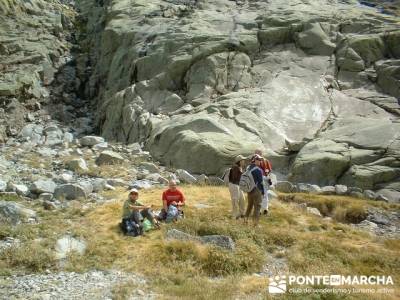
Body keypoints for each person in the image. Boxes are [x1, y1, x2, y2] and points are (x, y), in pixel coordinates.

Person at [244, 154, 264, 227]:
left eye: (260, 160)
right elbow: (261, 182)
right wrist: (263, 192)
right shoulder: (258, 170)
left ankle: (245, 221)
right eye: (259, 160)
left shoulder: (248, 168)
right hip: (256, 190)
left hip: (249, 190)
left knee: (249, 206)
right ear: (254, 160)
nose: (260, 161)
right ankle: (255, 224)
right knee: (257, 207)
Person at [255, 149, 272, 215]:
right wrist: (268, 178)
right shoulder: (266, 161)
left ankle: (259, 210)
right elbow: (269, 171)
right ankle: (265, 209)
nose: (255, 154)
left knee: (258, 195)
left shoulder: (256, 160)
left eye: (256, 153)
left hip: (259, 179)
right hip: (265, 178)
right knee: (265, 194)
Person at [228, 155, 246, 219]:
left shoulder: (240, 167)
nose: (244, 161)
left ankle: (242, 213)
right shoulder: (235, 167)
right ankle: (234, 215)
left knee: (242, 199)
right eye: (243, 160)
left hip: (238, 185)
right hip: (234, 185)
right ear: (239, 161)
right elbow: (234, 178)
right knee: (235, 200)